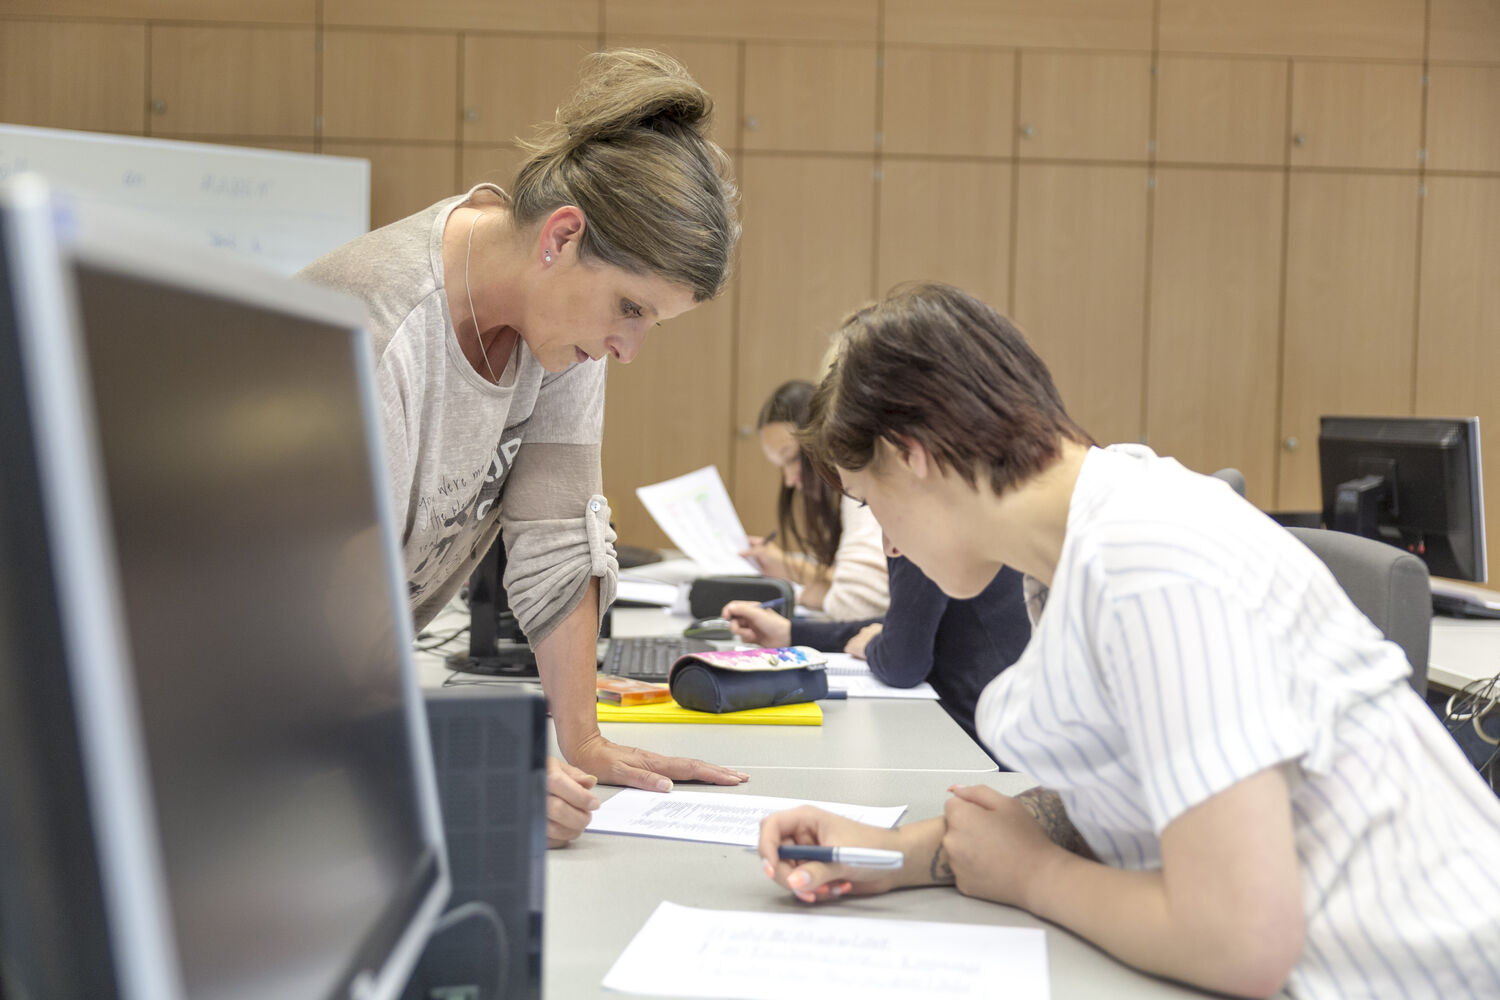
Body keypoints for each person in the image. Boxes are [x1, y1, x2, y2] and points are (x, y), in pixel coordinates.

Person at [757, 283, 1500, 998]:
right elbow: (1141, 786)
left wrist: (1035, 876)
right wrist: (891, 854)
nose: (886, 540)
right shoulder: (1078, 544)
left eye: (869, 499)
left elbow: (1240, 941)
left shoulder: (1147, 560)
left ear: (911, 453)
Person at [299, 49, 749, 847]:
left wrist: (584, 741)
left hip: (330, 709)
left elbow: (557, 535)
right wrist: (452, 765)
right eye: (633, 310)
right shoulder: (377, 331)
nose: (629, 348)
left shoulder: (560, 326)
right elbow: (309, 630)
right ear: (562, 236)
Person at [724, 557, 1029, 753]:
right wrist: (793, 634)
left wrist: (873, 647)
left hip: (983, 752)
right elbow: (908, 627)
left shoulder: (918, 510)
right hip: (1003, 737)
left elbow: (902, 664)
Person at [741, 380, 888, 619]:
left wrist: (821, 596)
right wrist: (792, 568)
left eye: (791, 458)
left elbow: (855, 604)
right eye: (781, 467)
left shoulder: (860, 487)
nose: (789, 480)